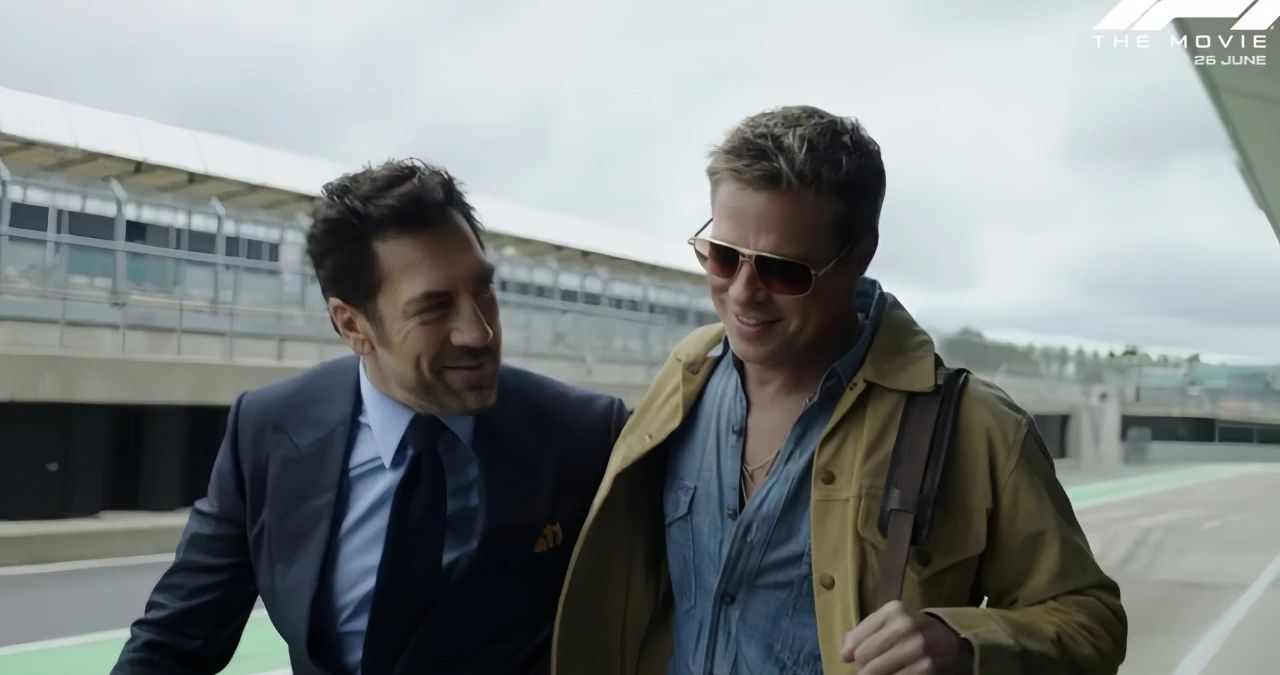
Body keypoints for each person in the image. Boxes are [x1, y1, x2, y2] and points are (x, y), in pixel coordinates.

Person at [552, 106, 1127, 674]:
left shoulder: (979, 429)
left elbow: (1091, 621)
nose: (743, 292)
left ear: (858, 256)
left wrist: (961, 644)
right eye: (723, 258)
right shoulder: (685, 374)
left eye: (782, 270)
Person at [112, 159, 629, 675]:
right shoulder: (268, 432)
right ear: (352, 326)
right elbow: (175, 642)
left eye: (482, 290)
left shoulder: (587, 437)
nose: (479, 333)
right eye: (433, 308)